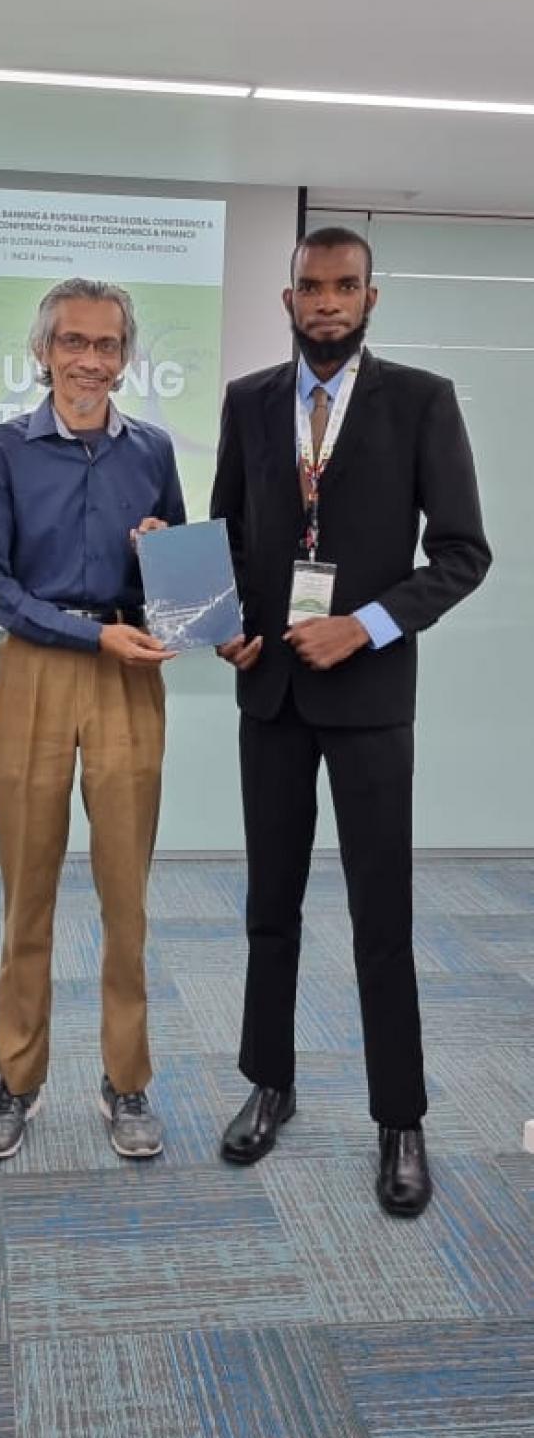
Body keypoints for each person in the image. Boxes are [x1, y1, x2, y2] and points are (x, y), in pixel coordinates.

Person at [211, 225, 491, 1216]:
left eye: (343, 285)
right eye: (308, 287)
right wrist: (227, 632)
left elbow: (461, 552)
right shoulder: (247, 402)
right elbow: (231, 539)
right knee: (267, 908)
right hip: (272, 696)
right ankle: (269, 1079)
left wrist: (363, 626)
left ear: (372, 297)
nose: (325, 301)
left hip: (368, 696)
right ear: (285, 300)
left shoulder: (419, 401)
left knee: (382, 916)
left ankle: (398, 1117)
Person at [0, 277, 185, 1161]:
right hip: (36, 674)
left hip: (127, 674)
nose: (89, 360)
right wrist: (88, 638)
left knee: (126, 896)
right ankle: (17, 1081)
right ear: (43, 350)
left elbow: (165, 579)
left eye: (106, 345)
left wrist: (157, 569)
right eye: (72, 343)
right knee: (29, 895)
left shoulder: (154, 449)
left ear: (125, 357)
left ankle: (126, 1080)